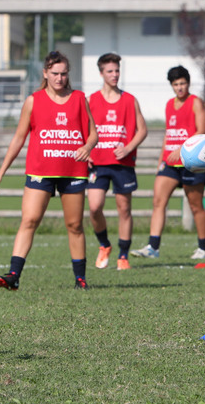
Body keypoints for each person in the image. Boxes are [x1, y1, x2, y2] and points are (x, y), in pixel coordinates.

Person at [0, 50, 98, 290]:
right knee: (29, 220)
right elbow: (19, 138)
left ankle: (80, 279)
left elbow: (94, 133)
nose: (59, 78)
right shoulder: (34, 100)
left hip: (72, 171)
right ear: (45, 73)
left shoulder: (80, 98)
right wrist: (1, 172)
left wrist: (88, 146)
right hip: (41, 171)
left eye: (63, 74)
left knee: (74, 225)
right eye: (55, 74)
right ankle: (13, 275)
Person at [130, 66, 205, 261]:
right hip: (170, 162)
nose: (180, 87)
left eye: (183, 83)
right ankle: (153, 247)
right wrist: (161, 160)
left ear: (188, 83)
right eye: (176, 84)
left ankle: (204, 248)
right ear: (172, 86)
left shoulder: (196, 103)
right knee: (158, 201)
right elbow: (169, 133)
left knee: (195, 205)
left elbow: (201, 131)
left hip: (192, 161)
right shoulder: (169, 105)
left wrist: (182, 149)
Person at [87, 53, 148, 271]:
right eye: (110, 71)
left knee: (124, 209)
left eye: (117, 70)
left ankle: (123, 255)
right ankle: (104, 245)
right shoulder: (91, 100)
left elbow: (143, 130)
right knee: (94, 207)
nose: (114, 75)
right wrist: (87, 151)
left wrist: (129, 148)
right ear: (101, 73)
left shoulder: (130, 100)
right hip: (98, 163)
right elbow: (82, 129)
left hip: (123, 164)